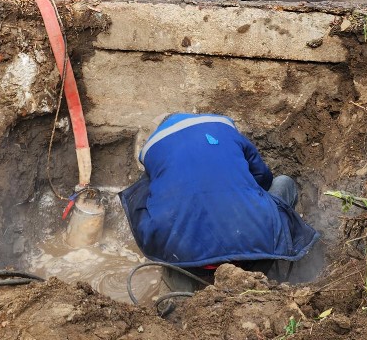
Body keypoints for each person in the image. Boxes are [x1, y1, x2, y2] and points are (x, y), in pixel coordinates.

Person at [119, 113, 318, 286]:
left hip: (185, 258)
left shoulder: (153, 149)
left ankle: (183, 283)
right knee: (284, 183)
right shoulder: (224, 128)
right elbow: (263, 177)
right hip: (252, 244)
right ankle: (275, 267)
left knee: (147, 191)